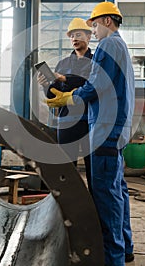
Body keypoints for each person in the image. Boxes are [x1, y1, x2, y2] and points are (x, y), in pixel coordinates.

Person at [46, 2, 135, 266]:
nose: (92, 32)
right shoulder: (120, 46)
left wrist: (70, 97)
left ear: (107, 21)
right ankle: (125, 248)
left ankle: (111, 258)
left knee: (105, 197)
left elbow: (96, 85)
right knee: (117, 191)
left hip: (105, 131)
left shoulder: (108, 46)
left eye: (93, 25)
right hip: (115, 129)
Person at [37, 17, 93, 194]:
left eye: (78, 34)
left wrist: (63, 78)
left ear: (89, 36)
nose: (74, 39)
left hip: (88, 120)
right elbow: (54, 95)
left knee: (93, 165)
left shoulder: (96, 61)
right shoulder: (63, 64)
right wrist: (46, 84)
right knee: (67, 167)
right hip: (66, 120)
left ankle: (93, 202)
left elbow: (90, 84)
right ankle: (69, 202)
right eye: (72, 36)